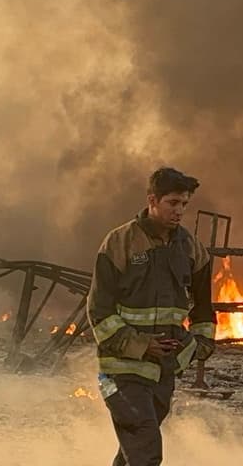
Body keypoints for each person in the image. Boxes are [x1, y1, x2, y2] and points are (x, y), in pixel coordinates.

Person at [88, 167, 217, 466]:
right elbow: (99, 310)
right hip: (121, 370)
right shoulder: (119, 243)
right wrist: (142, 344)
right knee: (146, 451)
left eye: (184, 204)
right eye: (173, 203)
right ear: (152, 200)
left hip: (164, 371)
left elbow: (203, 307)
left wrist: (201, 343)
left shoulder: (191, 248)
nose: (179, 211)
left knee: (134, 451)